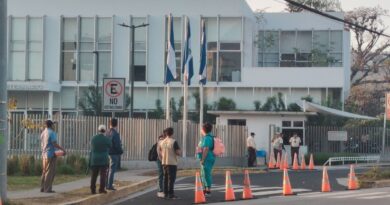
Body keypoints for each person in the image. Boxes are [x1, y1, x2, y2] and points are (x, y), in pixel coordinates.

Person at [40, 120, 66, 193]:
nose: (54, 126)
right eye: (53, 125)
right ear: (51, 125)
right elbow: (54, 143)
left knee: (44, 171)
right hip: (51, 154)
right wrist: (62, 149)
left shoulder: (43, 132)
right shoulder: (52, 133)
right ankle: (47, 189)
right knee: (50, 172)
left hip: (44, 154)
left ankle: (42, 187)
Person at [158, 127, 181, 199]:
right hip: (172, 162)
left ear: (166, 133)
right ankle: (171, 194)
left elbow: (160, 152)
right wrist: (180, 151)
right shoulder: (173, 141)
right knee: (171, 179)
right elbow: (178, 152)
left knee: (165, 178)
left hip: (164, 162)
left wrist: (162, 159)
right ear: (172, 133)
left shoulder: (161, 142)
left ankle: (165, 193)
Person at [90, 125, 112, 194]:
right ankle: (101, 189)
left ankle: (93, 189)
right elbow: (110, 145)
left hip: (95, 159)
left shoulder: (93, 138)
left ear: (98, 130)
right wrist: (108, 136)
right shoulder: (106, 139)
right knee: (103, 175)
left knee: (94, 175)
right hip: (103, 159)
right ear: (105, 130)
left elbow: (92, 146)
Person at [197, 123, 216, 197]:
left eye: (202, 128)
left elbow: (206, 149)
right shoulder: (209, 137)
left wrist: (202, 159)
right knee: (204, 173)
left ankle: (208, 191)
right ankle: (205, 189)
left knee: (206, 174)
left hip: (207, 158)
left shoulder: (207, 138)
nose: (201, 130)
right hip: (209, 157)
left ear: (204, 130)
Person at [107, 118, 123, 191]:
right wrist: (120, 151)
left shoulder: (107, 132)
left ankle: (106, 184)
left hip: (108, 152)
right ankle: (109, 185)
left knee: (108, 169)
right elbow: (117, 144)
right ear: (116, 124)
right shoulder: (115, 133)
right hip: (114, 153)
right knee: (112, 170)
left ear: (109, 124)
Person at [156, 133, 166, 198]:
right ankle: (160, 189)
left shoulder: (164, 142)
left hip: (164, 160)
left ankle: (164, 189)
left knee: (164, 174)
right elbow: (158, 152)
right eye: (161, 139)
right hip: (160, 160)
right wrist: (162, 160)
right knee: (161, 174)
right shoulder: (160, 142)